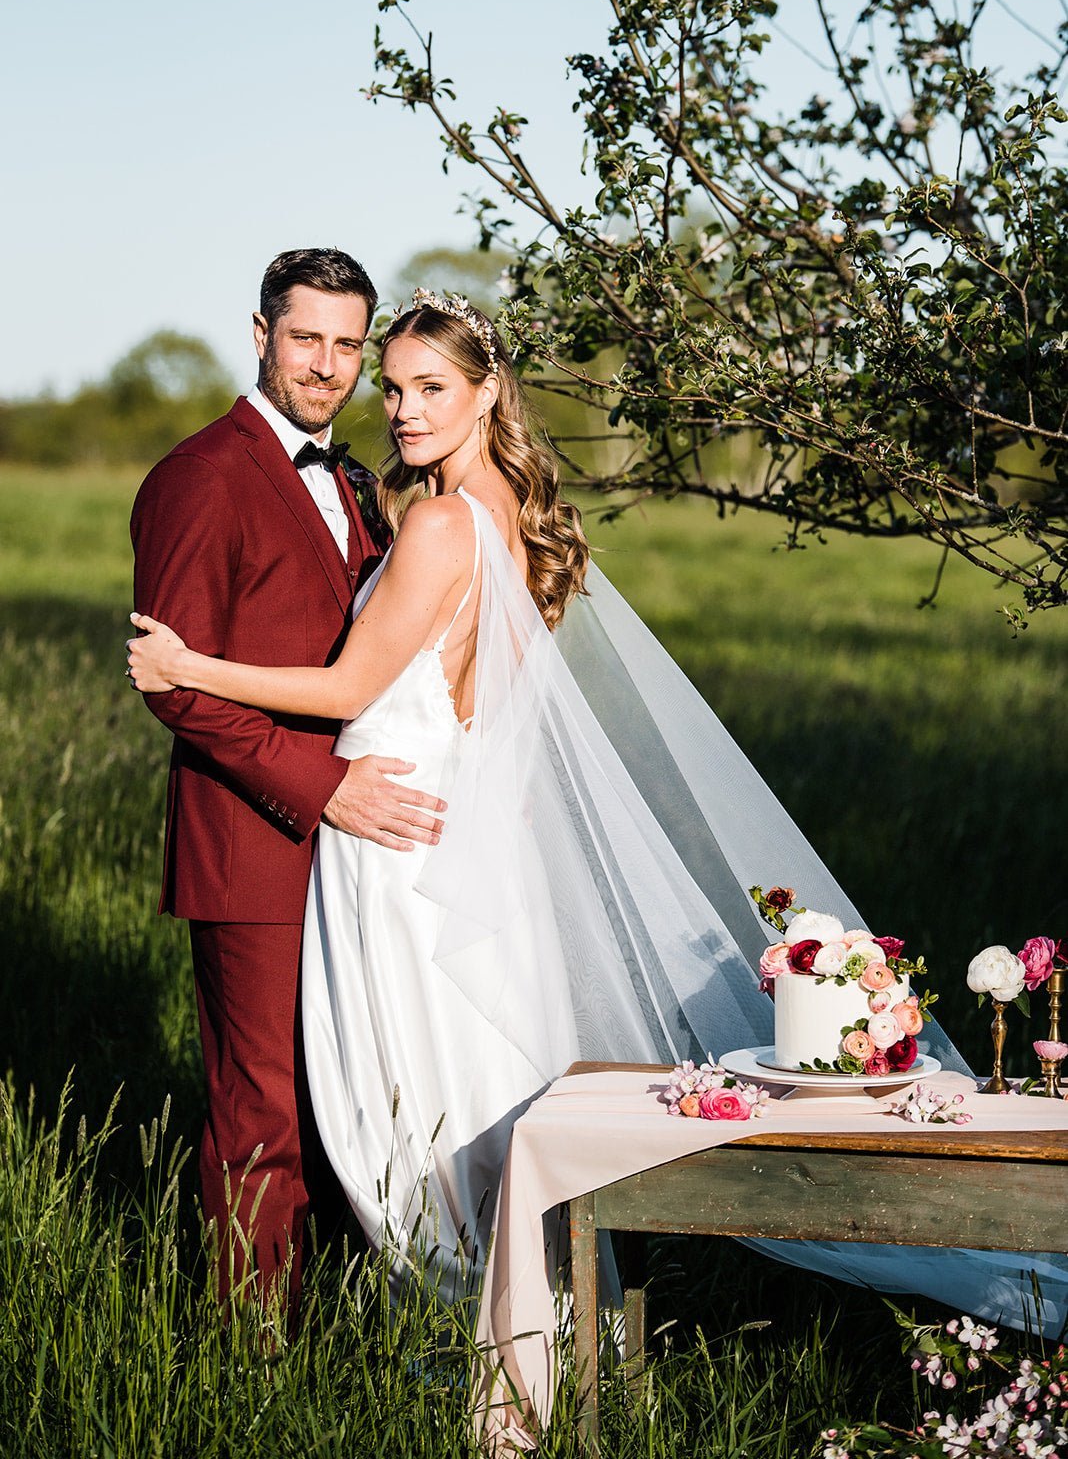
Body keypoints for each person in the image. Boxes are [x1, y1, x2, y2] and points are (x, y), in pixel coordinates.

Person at [128, 292, 1068, 1341]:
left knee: (414, 1105)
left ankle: (479, 1332)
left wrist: (186, 663)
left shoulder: (441, 522)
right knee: (476, 1082)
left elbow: (350, 691)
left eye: (429, 388)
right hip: (463, 844)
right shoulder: (512, 523)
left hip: (398, 849)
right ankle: (536, 1316)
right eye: (390, 388)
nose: (400, 410)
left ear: (488, 393)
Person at [129, 249, 447, 1316]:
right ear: (259, 332)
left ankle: (345, 1316)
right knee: (259, 1111)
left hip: (359, 855)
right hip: (253, 843)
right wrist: (323, 789)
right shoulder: (197, 476)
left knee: (341, 1095)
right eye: (306, 337)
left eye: (349, 344)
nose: (327, 364)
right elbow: (179, 686)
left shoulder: (356, 479)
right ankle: (252, 1356)